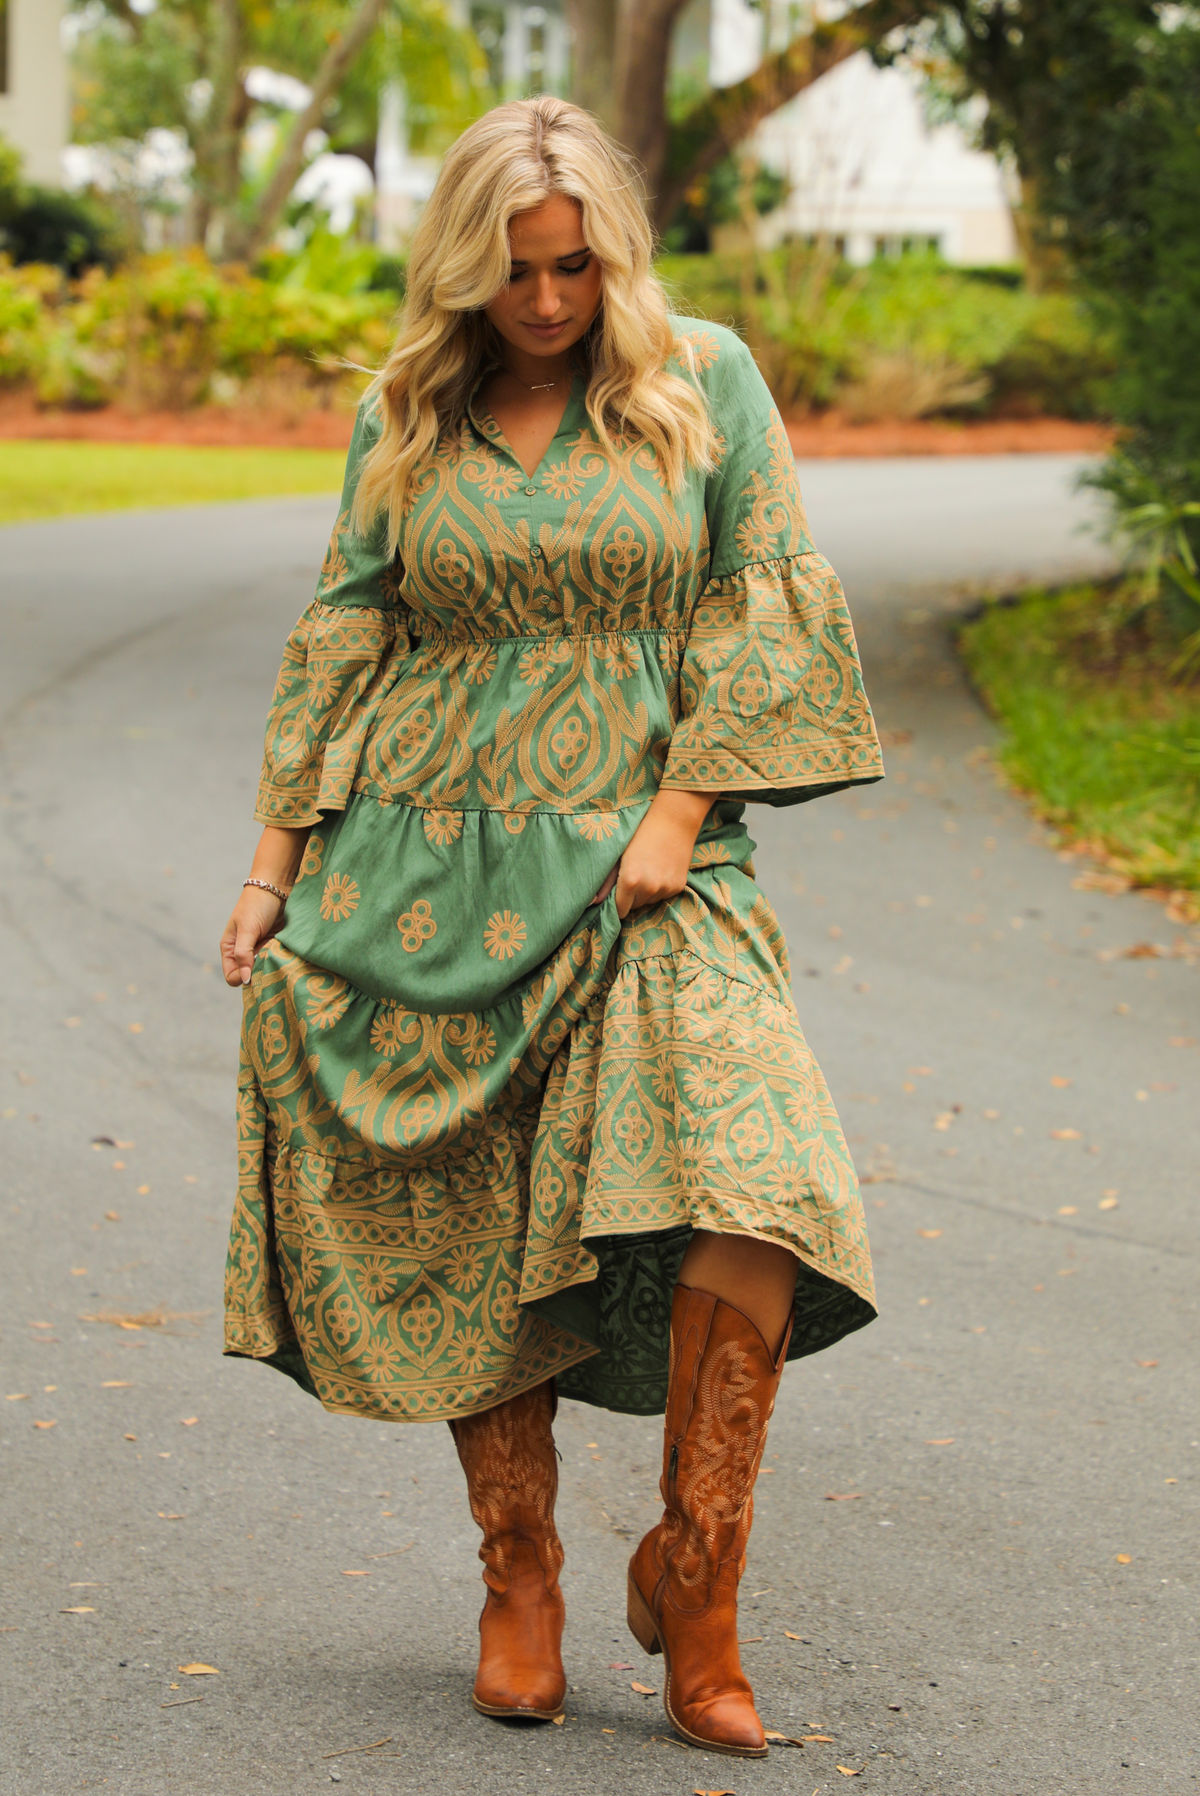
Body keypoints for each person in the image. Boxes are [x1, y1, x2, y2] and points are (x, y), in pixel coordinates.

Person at [219, 95, 882, 1759]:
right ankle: (518, 1573)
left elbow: (761, 599)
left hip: (656, 862)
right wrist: (274, 865)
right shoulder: (407, 412)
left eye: (576, 266)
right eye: (515, 273)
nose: (547, 302)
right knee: (477, 1202)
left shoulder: (701, 379)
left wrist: (678, 814)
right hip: (424, 862)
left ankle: (699, 1574)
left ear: (617, 254)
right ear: (464, 268)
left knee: (758, 1179)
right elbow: (348, 625)